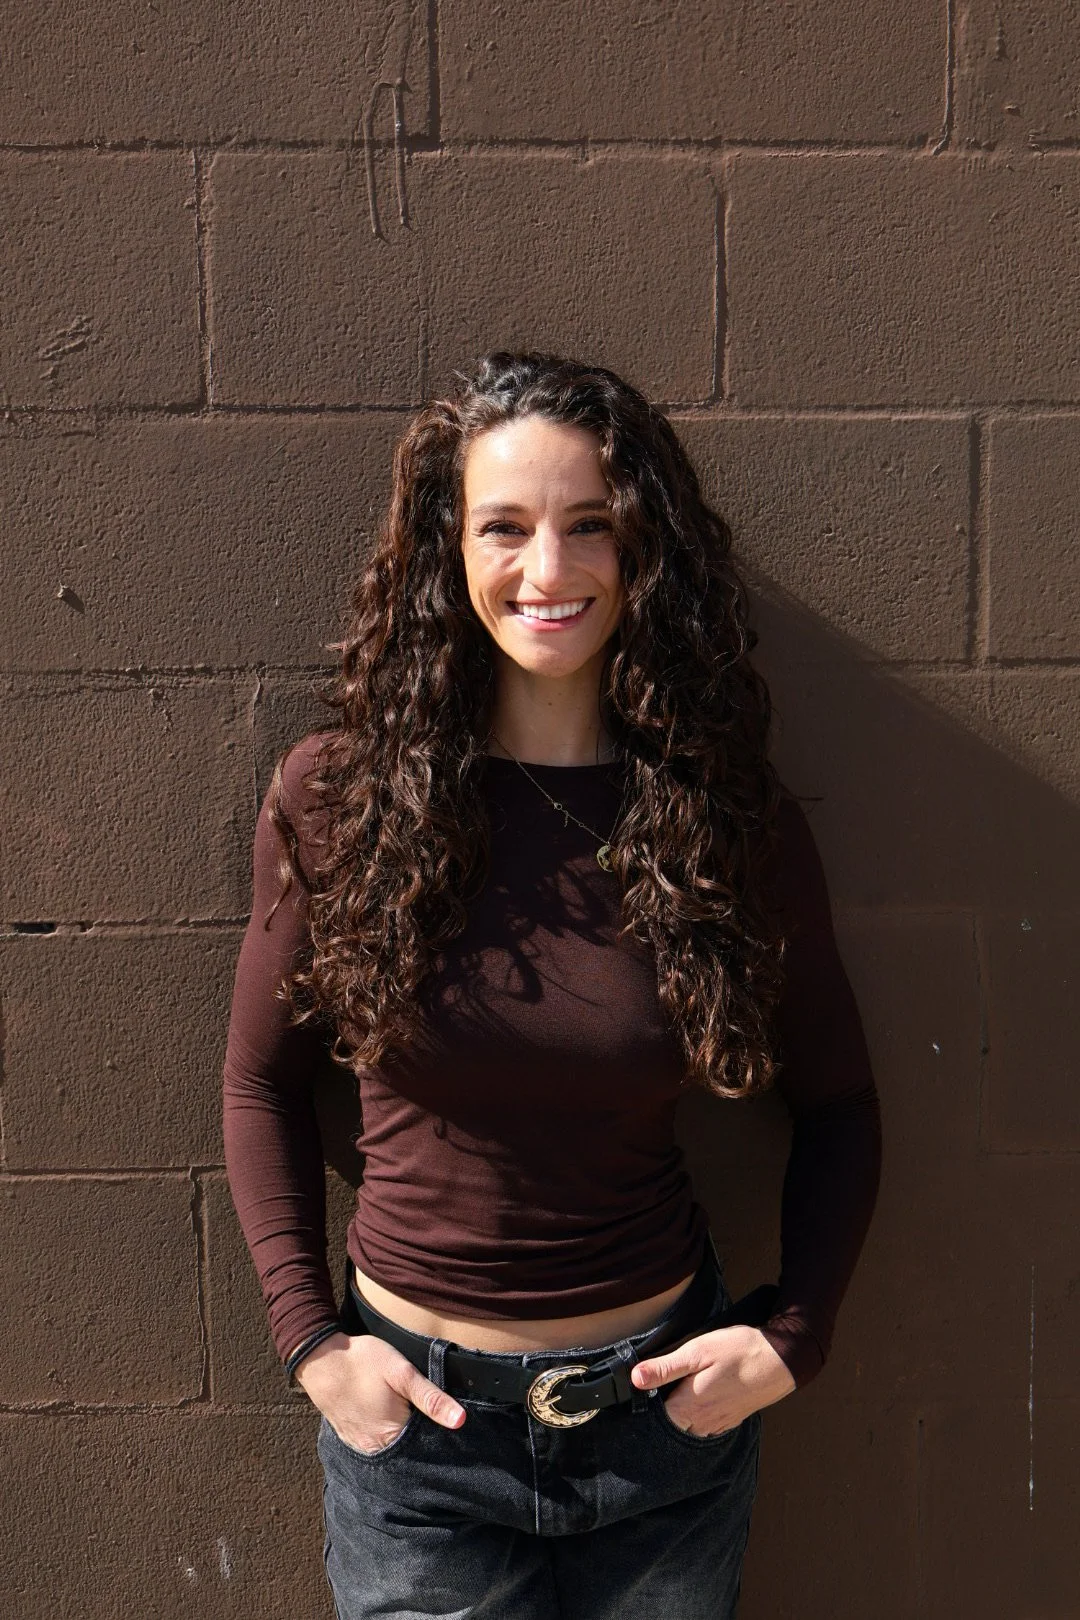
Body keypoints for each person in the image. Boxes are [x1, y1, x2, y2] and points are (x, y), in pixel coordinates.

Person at [222, 350, 881, 1620]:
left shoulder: (721, 825)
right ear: (447, 550)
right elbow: (261, 1080)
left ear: (645, 552)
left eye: (591, 527)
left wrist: (790, 1342)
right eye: (505, 528)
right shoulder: (337, 799)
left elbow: (843, 1104)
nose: (549, 570)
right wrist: (313, 1346)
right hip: (418, 1440)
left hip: (662, 1428)